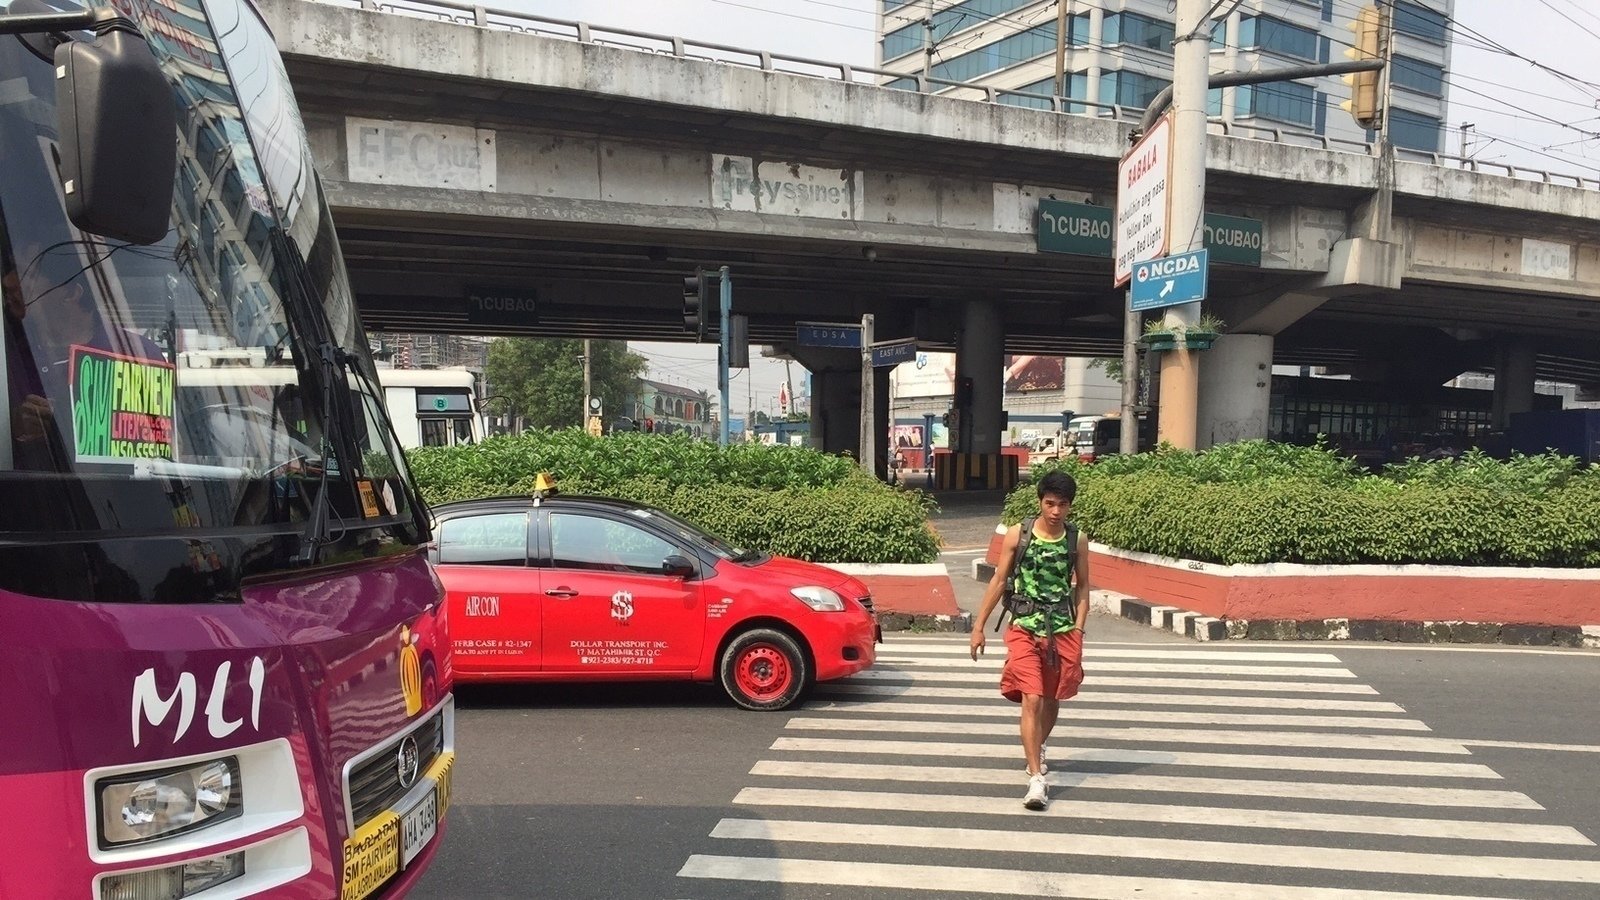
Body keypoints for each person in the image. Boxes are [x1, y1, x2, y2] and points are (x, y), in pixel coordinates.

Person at [969, 469, 1089, 811]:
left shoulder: (1075, 540)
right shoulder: (1018, 534)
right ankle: (1037, 778)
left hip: (1062, 629)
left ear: (1069, 507)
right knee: (1032, 697)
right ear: (1040, 501)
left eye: (1062, 505)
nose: (1055, 511)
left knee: (1052, 697)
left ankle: (1038, 746)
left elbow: (1082, 588)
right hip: (1023, 625)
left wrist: (1079, 631)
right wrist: (979, 627)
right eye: (1049, 503)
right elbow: (999, 580)